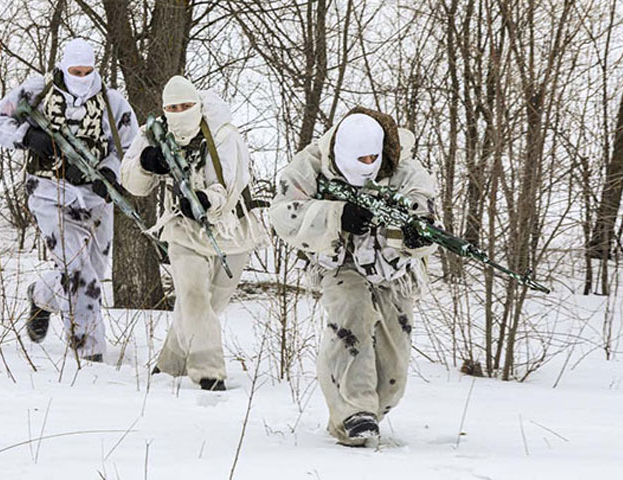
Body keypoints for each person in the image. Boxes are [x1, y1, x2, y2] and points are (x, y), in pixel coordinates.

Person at [269, 108, 438, 446]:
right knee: (352, 318)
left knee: (393, 373)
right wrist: (336, 216)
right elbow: (282, 216)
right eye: (358, 158)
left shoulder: (404, 167)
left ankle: (369, 412)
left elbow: (422, 206)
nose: (367, 163)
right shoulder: (311, 165)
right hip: (339, 263)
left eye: (372, 157)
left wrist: (416, 236)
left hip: (393, 268)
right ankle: (352, 413)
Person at [0, 39, 138, 362]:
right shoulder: (36, 93)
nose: (82, 77)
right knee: (79, 273)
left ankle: (42, 294)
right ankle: (90, 352)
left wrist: (111, 176)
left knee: (94, 272)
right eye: (75, 71)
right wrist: (27, 137)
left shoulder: (113, 104)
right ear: (63, 68)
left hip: (96, 199)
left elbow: (129, 149)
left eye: (87, 71)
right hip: (48, 191)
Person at [120, 75, 267, 390]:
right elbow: (131, 181)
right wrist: (148, 162)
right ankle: (209, 372)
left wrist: (203, 201)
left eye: (186, 106)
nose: (179, 112)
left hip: (231, 230)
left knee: (208, 306)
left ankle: (170, 363)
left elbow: (229, 187)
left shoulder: (225, 136)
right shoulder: (155, 133)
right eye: (172, 107)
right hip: (184, 231)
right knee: (193, 295)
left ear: (198, 105)